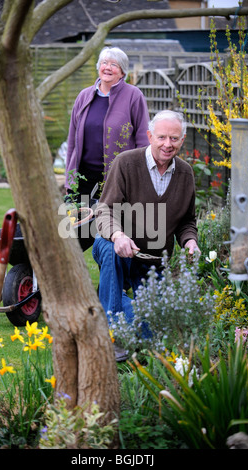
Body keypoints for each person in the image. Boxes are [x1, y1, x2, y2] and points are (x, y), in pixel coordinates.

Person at [92, 110, 200, 357]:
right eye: (161, 137)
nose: (167, 144)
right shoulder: (126, 163)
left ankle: (107, 301)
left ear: (182, 140)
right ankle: (115, 334)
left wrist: (190, 241)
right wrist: (118, 235)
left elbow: (186, 221)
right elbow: (104, 211)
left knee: (152, 336)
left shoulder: (185, 174)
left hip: (152, 261)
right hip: (116, 247)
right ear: (150, 136)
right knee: (110, 249)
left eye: (174, 138)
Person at [65, 46, 150, 204]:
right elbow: (72, 140)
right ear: (99, 67)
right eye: (104, 63)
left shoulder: (133, 96)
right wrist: (69, 178)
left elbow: (143, 139)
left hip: (118, 177)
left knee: (112, 226)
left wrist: (139, 177)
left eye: (114, 65)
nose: (107, 68)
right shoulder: (83, 96)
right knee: (81, 227)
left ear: (122, 72)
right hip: (83, 178)